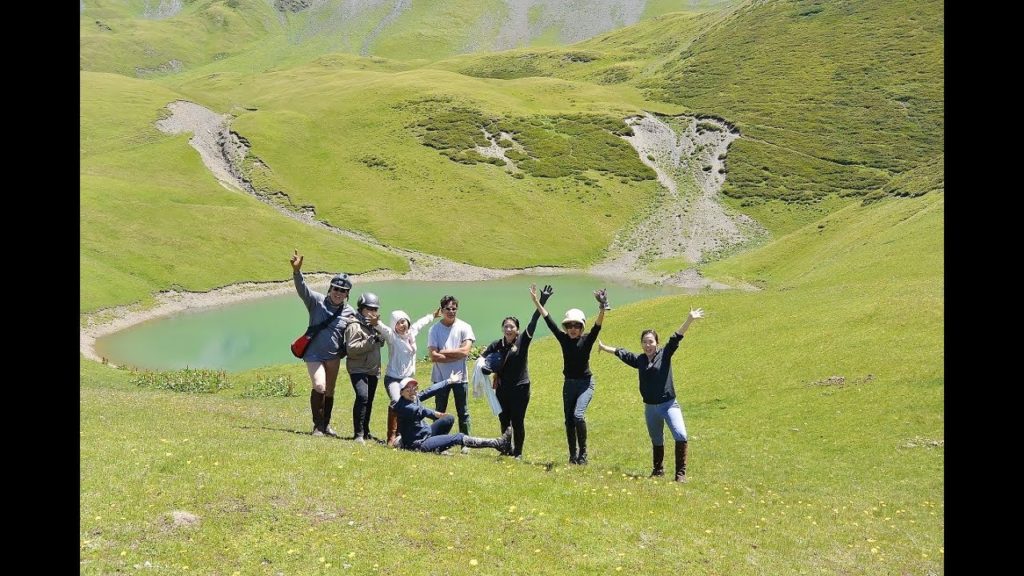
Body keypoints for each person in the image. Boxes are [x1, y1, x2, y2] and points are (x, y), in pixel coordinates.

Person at [597, 308, 704, 482]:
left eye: (651, 342)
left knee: (680, 434)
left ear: (657, 343)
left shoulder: (665, 354)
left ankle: (680, 474)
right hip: (650, 408)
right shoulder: (639, 360)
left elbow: (676, 337)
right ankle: (658, 470)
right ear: (641, 344)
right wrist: (604, 347)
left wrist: (689, 319)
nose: (648, 345)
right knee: (656, 439)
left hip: (669, 404)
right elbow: (622, 353)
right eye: (645, 342)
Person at [531, 285, 608, 464]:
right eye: (569, 325)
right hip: (569, 384)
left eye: (576, 325)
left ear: (581, 327)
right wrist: (536, 301)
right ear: (565, 327)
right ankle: (573, 456)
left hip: (585, 384)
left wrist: (602, 307)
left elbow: (597, 326)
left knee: (578, 416)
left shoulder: (587, 339)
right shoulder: (563, 339)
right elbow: (548, 320)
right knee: (569, 421)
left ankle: (583, 454)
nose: (572, 329)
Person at [479, 284, 553, 460]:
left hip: (520, 388)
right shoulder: (496, 345)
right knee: (504, 420)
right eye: (505, 326)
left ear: (517, 330)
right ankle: (506, 448)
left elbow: (534, 321)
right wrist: (485, 367)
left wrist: (541, 300)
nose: (508, 329)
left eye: (511, 327)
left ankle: (518, 452)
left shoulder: (523, 341)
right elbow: (481, 360)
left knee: (517, 421)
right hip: (502, 389)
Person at [290, 249, 355, 437]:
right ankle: (317, 427)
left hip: (334, 356)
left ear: (347, 294)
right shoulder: (317, 302)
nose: (338, 293)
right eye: (336, 289)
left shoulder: (349, 311)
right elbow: (302, 290)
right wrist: (297, 271)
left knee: (330, 391)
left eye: (343, 291)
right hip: (314, 354)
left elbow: (360, 327)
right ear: (330, 289)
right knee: (320, 386)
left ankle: (326, 425)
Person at [394, 373, 512, 454]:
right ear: (401, 392)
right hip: (419, 444)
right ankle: (497, 443)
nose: (412, 391)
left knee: (448, 419)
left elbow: (429, 391)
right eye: (408, 389)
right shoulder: (404, 406)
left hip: (426, 434)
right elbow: (422, 411)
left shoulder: (413, 397)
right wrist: (436, 414)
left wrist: (449, 381)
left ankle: (438, 446)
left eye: (414, 388)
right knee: (458, 437)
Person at [376, 307, 441, 446]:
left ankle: (402, 435)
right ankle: (391, 436)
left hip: (407, 380)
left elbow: (420, 323)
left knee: (408, 404)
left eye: (404, 321)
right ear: (394, 325)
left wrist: (432, 316)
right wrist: (376, 323)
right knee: (396, 401)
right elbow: (383, 329)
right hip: (393, 378)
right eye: (398, 323)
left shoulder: (411, 333)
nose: (402, 325)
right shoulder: (392, 337)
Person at [427, 295, 476, 449]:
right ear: (441, 310)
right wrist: (456, 354)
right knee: (439, 411)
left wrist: (444, 351)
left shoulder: (465, 327)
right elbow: (433, 356)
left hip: (460, 378)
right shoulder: (434, 329)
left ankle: (466, 443)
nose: (451, 311)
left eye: (454, 308)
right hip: (441, 378)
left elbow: (465, 351)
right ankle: (436, 443)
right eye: (447, 308)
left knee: (463, 412)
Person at [344, 292, 386, 443]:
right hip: (358, 368)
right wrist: (372, 340)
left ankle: (366, 432)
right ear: (361, 309)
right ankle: (358, 434)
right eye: (369, 309)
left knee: (369, 400)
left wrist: (380, 336)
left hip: (373, 369)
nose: (372, 312)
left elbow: (380, 343)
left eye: (375, 309)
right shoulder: (354, 325)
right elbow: (352, 349)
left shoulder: (374, 324)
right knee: (362, 397)